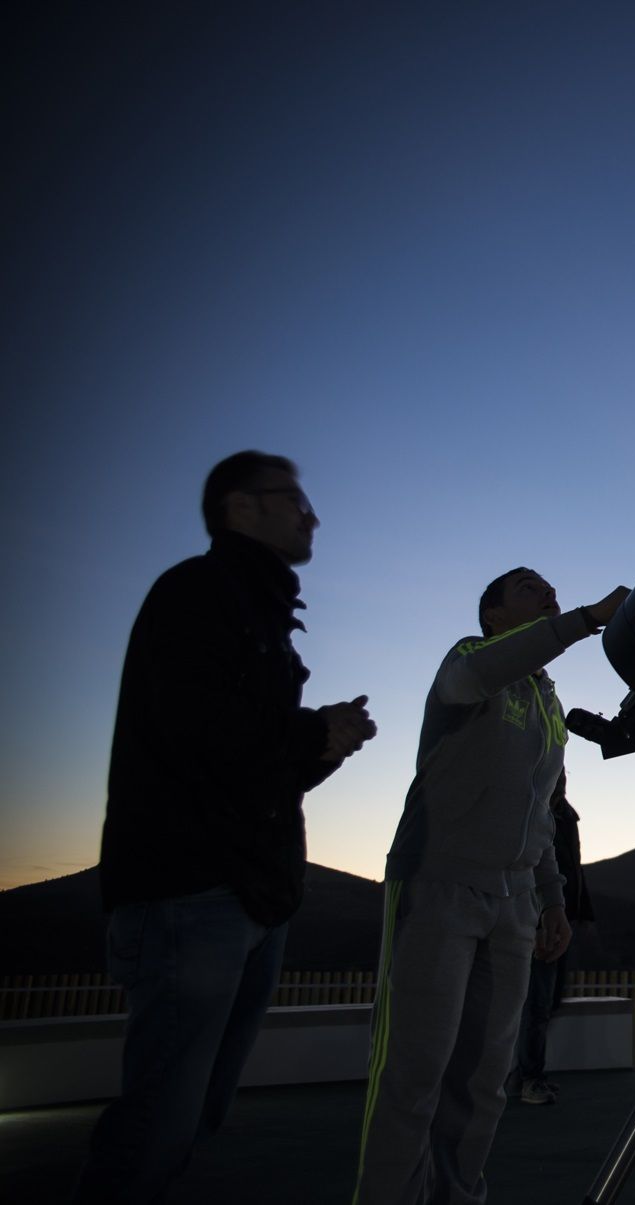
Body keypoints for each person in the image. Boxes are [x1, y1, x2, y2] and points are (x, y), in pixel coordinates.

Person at [76, 451, 377, 1204]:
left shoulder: (257, 610)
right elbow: (198, 735)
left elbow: (255, 768)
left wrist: (326, 743)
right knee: (158, 1121)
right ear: (240, 509)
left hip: (245, 896)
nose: (311, 515)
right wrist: (314, 733)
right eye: (292, 500)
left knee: (191, 1113)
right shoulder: (197, 593)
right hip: (192, 892)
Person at [353, 569, 635, 1204]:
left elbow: (540, 810)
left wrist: (554, 899)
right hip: (439, 887)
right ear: (493, 614)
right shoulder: (467, 662)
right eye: (530, 590)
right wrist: (586, 619)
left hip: (515, 906)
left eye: (552, 593)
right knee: (414, 1075)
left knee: (484, 1081)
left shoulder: (548, 704)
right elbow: (477, 676)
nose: (549, 597)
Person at [508, 772, 596, 1106]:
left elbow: (573, 868)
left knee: (549, 1001)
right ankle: (530, 1078)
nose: (560, 782)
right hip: (535, 919)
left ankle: (523, 1075)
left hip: (560, 918)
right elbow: (532, 866)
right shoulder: (534, 812)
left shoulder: (565, 816)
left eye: (562, 777)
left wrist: (581, 912)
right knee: (538, 1005)